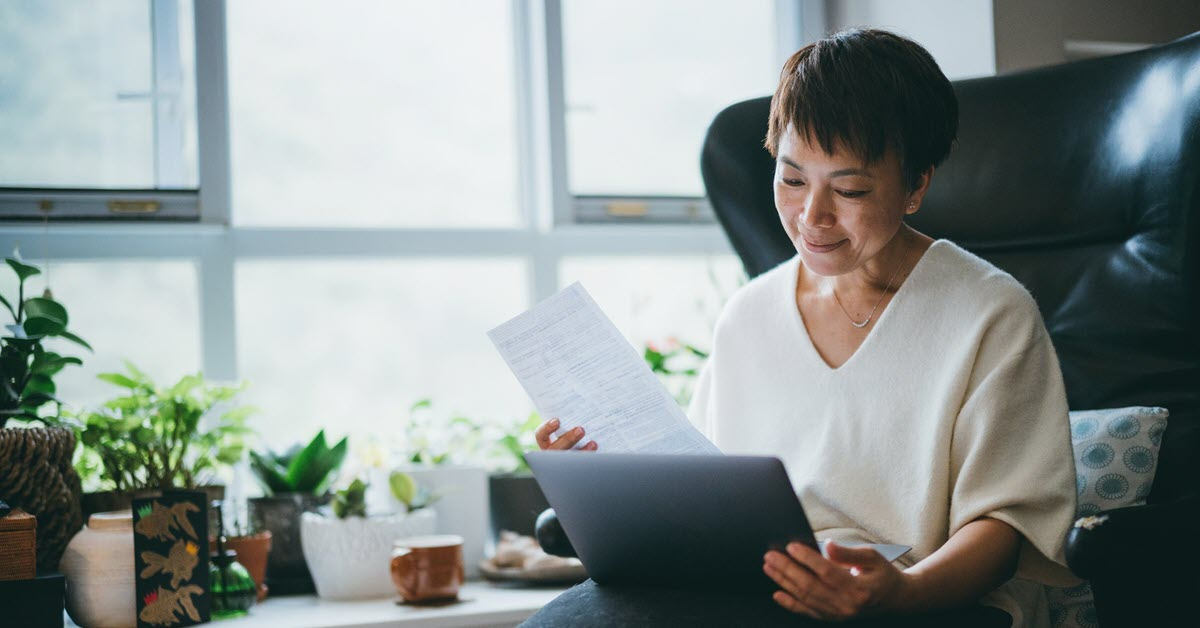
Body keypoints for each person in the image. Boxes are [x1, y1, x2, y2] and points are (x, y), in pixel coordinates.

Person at [531, 28, 1078, 627]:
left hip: (927, 602)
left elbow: (1005, 525)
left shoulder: (990, 315)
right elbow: (705, 491)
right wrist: (604, 473)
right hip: (749, 589)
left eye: (849, 189)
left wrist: (903, 592)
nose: (812, 217)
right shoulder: (748, 315)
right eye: (792, 180)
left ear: (916, 185)